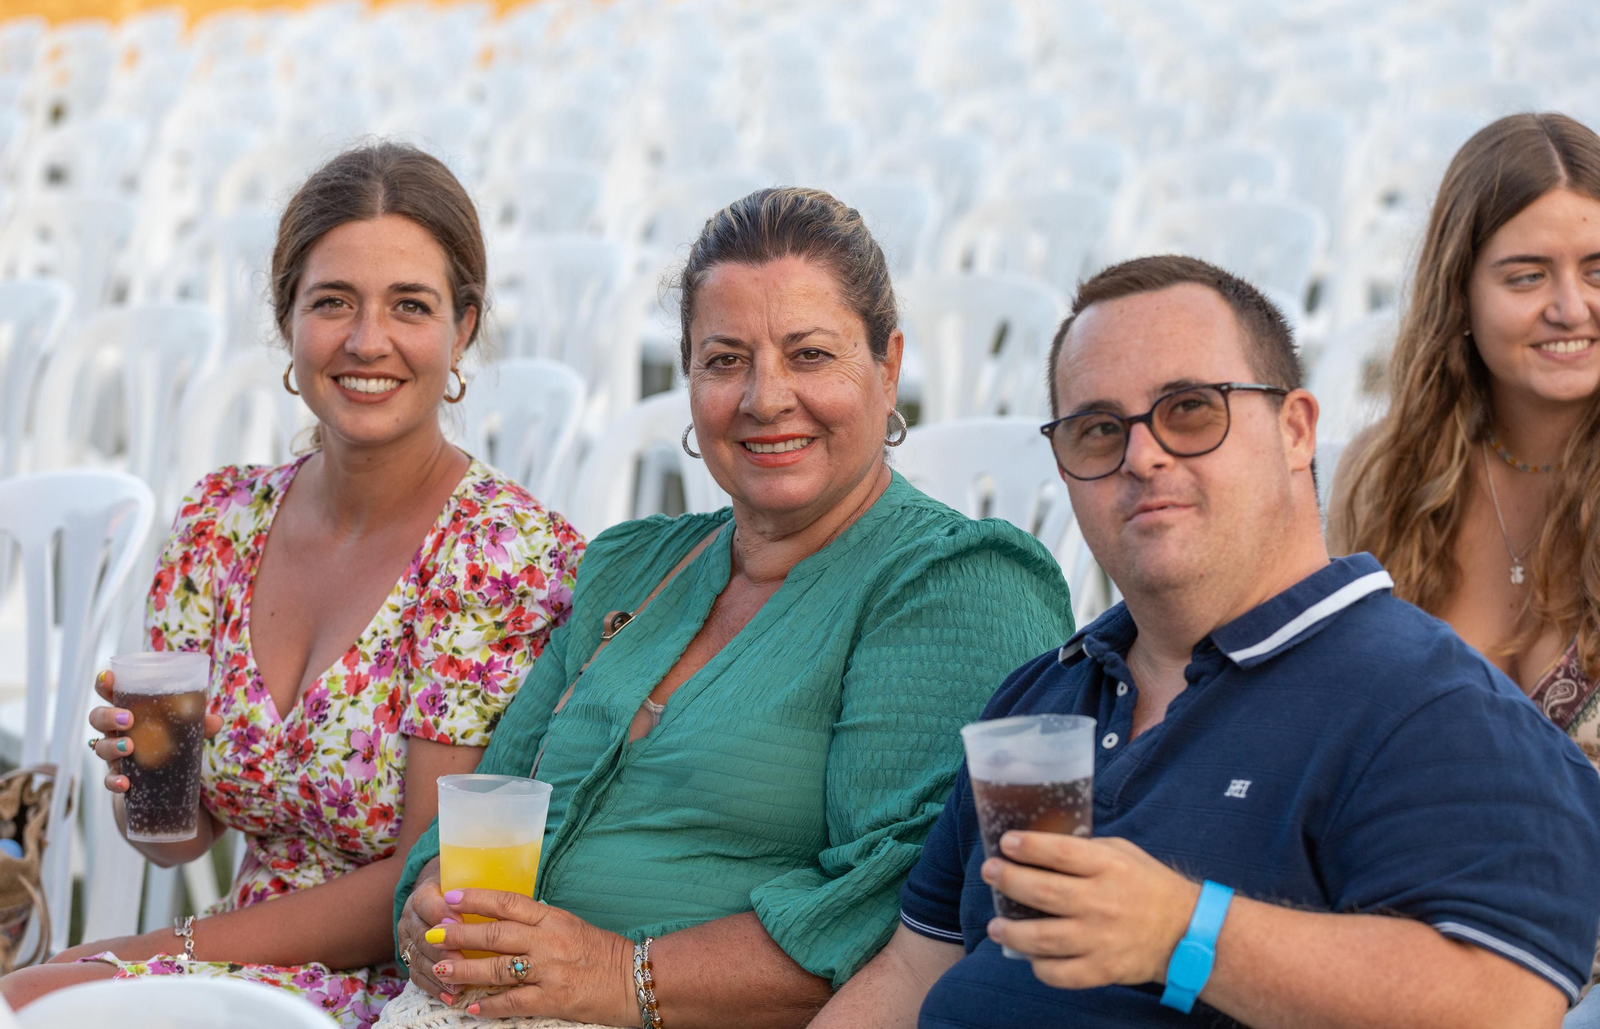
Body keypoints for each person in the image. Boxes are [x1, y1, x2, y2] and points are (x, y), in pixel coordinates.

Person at [809, 254, 1600, 1029]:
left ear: (1295, 430)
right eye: (1096, 430)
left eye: (1191, 409)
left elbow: (1506, 1001)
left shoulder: (1425, 699)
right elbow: (915, 974)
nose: (1141, 454)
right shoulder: (1043, 697)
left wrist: (1182, 931)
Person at [386, 187, 1074, 1028]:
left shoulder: (955, 583)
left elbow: (893, 906)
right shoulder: (629, 567)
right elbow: (477, 809)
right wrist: (427, 914)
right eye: (724, 360)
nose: (764, 397)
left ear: (888, 366)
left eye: (810, 354)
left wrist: (616, 973)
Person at [0, 143, 585, 1028]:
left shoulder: (498, 557)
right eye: (333, 302)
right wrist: (141, 778)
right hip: (234, 965)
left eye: (410, 307)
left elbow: (419, 882)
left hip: (403, 986)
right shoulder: (219, 524)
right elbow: (182, 838)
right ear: (287, 318)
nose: (366, 341)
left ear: (463, 328)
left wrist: (156, 954)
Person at [1328, 111, 1600, 1023]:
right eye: (1528, 276)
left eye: (1598, 270)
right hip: (1404, 930)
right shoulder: (1384, 479)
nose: (1572, 307)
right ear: (1462, 292)